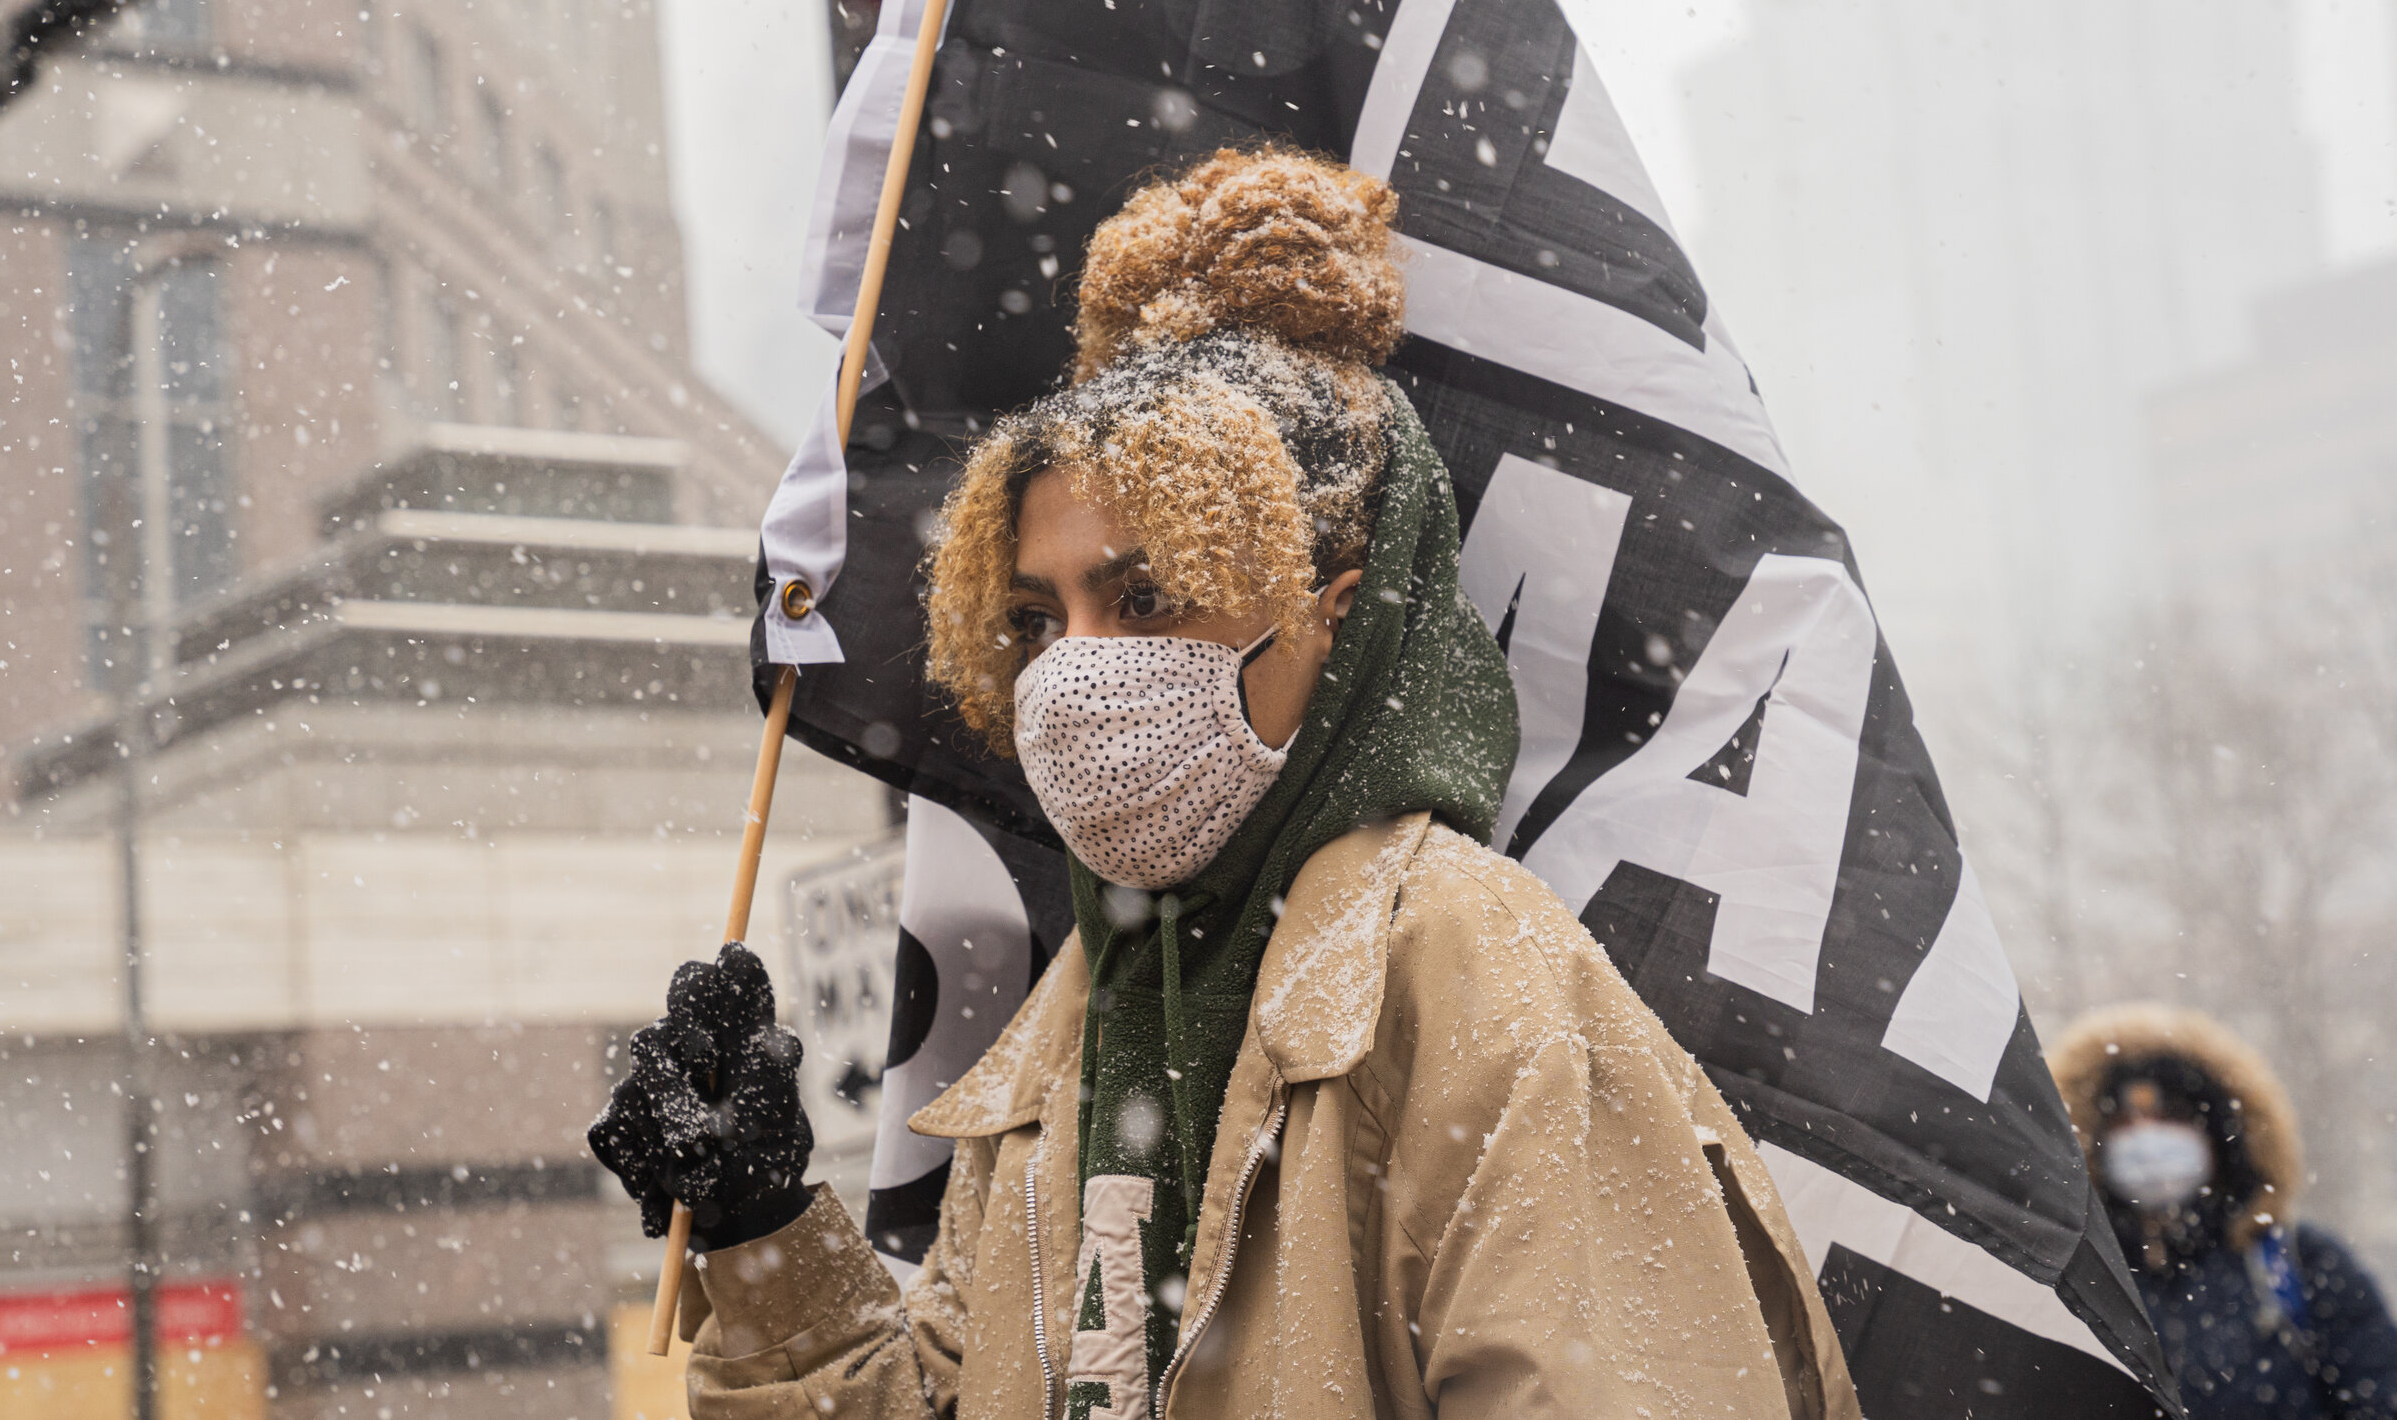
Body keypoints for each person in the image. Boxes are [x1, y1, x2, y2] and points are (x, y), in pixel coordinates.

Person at [590, 147, 1861, 1419]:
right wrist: (761, 1236)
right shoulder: (1079, 1024)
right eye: (1038, 619)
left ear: (1334, 620)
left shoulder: (1468, 969)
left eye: (1145, 597)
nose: (1076, 670)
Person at [2050, 1004, 2397, 1418]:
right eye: (2125, 1120)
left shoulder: (2302, 1265)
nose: (2148, 1138)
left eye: (2171, 1116)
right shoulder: (2062, 1275)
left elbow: (2379, 1401)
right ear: (2090, 1139)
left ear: (2218, 1132)